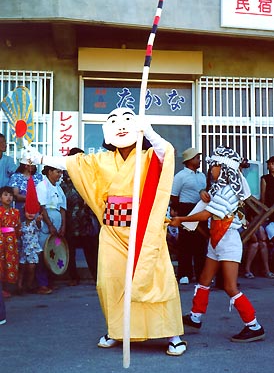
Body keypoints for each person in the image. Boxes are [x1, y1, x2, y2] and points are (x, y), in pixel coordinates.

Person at [22, 107, 186, 356]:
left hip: (143, 232)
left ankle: (172, 334)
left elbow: (166, 153)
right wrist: (40, 157)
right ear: (107, 133)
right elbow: (72, 163)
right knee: (111, 281)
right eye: (114, 122)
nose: (121, 126)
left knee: (156, 278)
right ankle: (117, 330)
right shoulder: (101, 160)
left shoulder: (149, 156)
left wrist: (149, 130)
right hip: (111, 230)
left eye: (127, 121)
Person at [169, 146, 265, 343]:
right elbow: (208, 200)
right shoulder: (221, 188)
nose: (210, 170)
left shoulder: (229, 191)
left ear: (224, 168)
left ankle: (253, 325)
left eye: (213, 166)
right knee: (204, 279)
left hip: (228, 241)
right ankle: (196, 316)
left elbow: (207, 214)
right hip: (217, 239)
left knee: (230, 286)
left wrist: (182, 219)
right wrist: (205, 191)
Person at [61, 147, 100, 285]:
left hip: (86, 218)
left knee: (91, 250)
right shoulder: (65, 174)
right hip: (71, 218)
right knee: (70, 249)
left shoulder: (89, 174)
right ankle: (73, 277)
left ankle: (97, 277)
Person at [170, 147, 208, 285]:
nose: (199, 160)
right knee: (185, 243)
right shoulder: (180, 176)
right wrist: (178, 210)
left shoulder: (202, 175)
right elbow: (174, 195)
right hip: (185, 209)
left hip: (200, 210)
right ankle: (184, 274)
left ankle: (200, 274)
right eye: (197, 158)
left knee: (200, 243)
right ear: (189, 161)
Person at [35, 166, 66, 295]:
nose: (60, 175)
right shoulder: (42, 186)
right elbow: (42, 207)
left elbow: (63, 208)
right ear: (49, 172)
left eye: (61, 172)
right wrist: (50, 225)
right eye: (57, 172)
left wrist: (63, 226)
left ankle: (50, 281)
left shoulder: (59, 188)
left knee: (54, 251)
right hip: (46, 223)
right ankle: (42, 284)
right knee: (43, 253)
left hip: (58, 222)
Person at [17, 177, 43, 294]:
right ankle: (20, 286)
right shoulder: (21, 224)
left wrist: (38, 219)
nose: (30, 214)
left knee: (31, 268)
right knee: (22, 268)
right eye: (28, 211)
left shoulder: (35, 223)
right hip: (23, 249)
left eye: (33, 212)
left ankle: (29, 285)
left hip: (32, 250)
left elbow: (38, 225)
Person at [0, 186, 21, 298]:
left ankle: (9, 288)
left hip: (12, 241)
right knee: (1, 263)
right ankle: (2, 288)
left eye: (10, 195)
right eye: (5, 195)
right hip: (1, 241)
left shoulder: (16, 212)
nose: (8, 197)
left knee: (11, 262)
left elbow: (18, 228)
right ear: (0, 198)